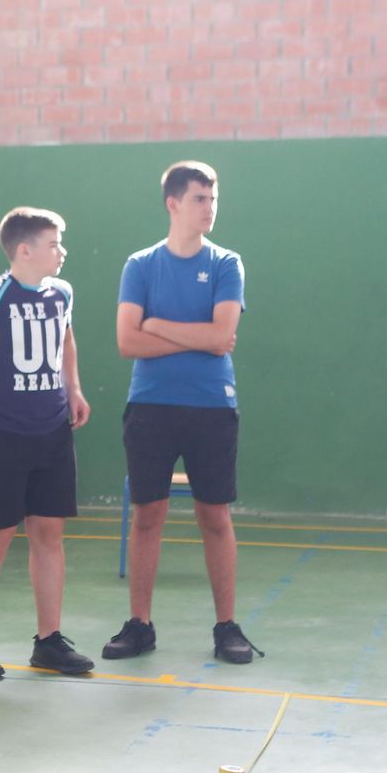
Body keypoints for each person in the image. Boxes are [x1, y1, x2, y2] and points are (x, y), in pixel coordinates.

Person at [107, 161, 263, 665]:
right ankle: (140, 626)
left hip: (212, 408)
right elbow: (127, 342)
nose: (210, 207)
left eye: (213, 198)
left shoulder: (226, 264)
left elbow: (221, 338)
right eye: (200, 198)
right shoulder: (140, 265)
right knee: (147, 515)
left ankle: (227, 628)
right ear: (174, 203)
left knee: (214, 515)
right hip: (150, 407)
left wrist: (158, 324)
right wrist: (187, 334)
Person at [0, 207, 94, 680]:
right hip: (2, 435)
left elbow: (66, 339)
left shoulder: (61, 292)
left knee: (49, 536)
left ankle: (48, 640)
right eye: (54, 244)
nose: (62, 252)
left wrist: (74, 388)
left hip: (51, 433)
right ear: (24, 250)